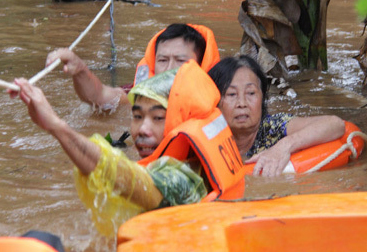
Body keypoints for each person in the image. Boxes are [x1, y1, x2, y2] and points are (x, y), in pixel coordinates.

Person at [11, 60, 247, 236]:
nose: (142, 129)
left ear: (183, 121)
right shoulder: (187, 161)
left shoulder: (184, 179)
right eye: (137, 116)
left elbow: (123, 176)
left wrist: (55, 125)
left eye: (158, 118)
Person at [208, 55, 346, 177]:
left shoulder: (272, 127)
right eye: (232, 94)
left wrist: (283, 147)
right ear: (215, 100)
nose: (242, 103)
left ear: (262, 98)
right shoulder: (208, 135)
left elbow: (335, 124)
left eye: (251, 93)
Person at [44, 23, 220, 110]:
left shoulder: (224, 101)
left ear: (200, 64)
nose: (169, 69)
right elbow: (100, 97)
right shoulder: (139, 94)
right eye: (163, 60)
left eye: (181, 61)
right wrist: (80, 69)